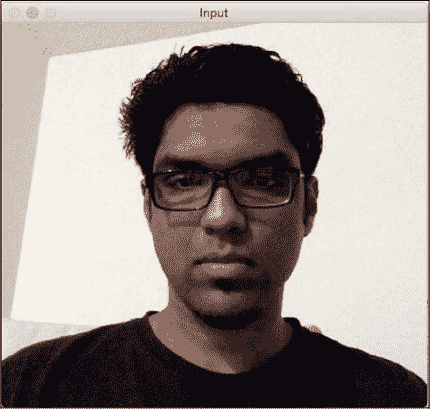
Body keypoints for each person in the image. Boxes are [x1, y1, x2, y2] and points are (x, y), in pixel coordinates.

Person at [2, 43, 427, 408]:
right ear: (149, 206)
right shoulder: (29, 388)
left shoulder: (395, 398)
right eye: (184, 181)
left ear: (308, 206)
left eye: (262, 179)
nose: (222, 217)